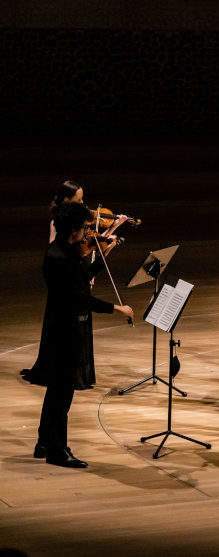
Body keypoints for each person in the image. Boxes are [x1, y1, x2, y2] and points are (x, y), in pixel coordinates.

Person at [35, 202, 133, 468]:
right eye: (86, 228)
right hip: (64, 331)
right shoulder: (61, 258)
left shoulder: (63, 252)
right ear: (75, 229)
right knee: (62, 393)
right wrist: (116, 308)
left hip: (62, 327)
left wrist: (103, 257)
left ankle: (44, 442)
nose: (89, 232)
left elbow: (82, 275)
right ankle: (58, 450)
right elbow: (80, 297)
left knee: (56, 390)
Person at [23, 180, 127, 388]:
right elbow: (58, 248)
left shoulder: (75, 230)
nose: (83, 204)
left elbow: (89, 242)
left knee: (81, 326)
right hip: (66, 279)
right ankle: (61, 374)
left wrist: (108, 237)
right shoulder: (59, 230)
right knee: (67, 328)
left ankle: (80, 376)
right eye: (78, 200)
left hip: (77, 270)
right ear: (66, 200)